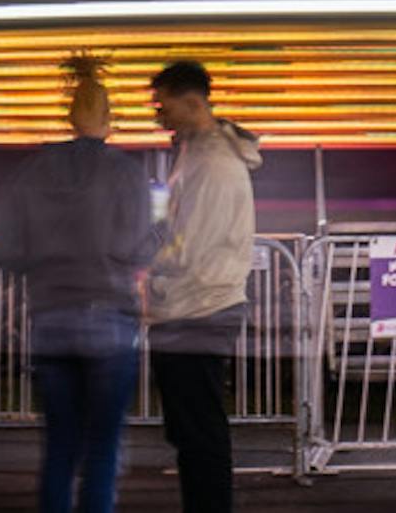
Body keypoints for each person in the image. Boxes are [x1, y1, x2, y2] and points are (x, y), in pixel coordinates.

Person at [0, 55, 151, 513]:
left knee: (59, 446)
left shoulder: (33, 170)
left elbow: (7, 248)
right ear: (109, 118)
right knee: (102, 447)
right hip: (109, 317)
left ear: (70, 115)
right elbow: (139, 244)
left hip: (51, 317)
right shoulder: (126, 173)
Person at [146, 60, 262, 513]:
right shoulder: (199, 153)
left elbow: (188, 246)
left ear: (193, 102)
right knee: (194, 430)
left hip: (196, 307)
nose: (158, 114)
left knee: (198, 432)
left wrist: (146, 274)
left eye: (164, 105)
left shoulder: (211, 163)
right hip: (198, 303)